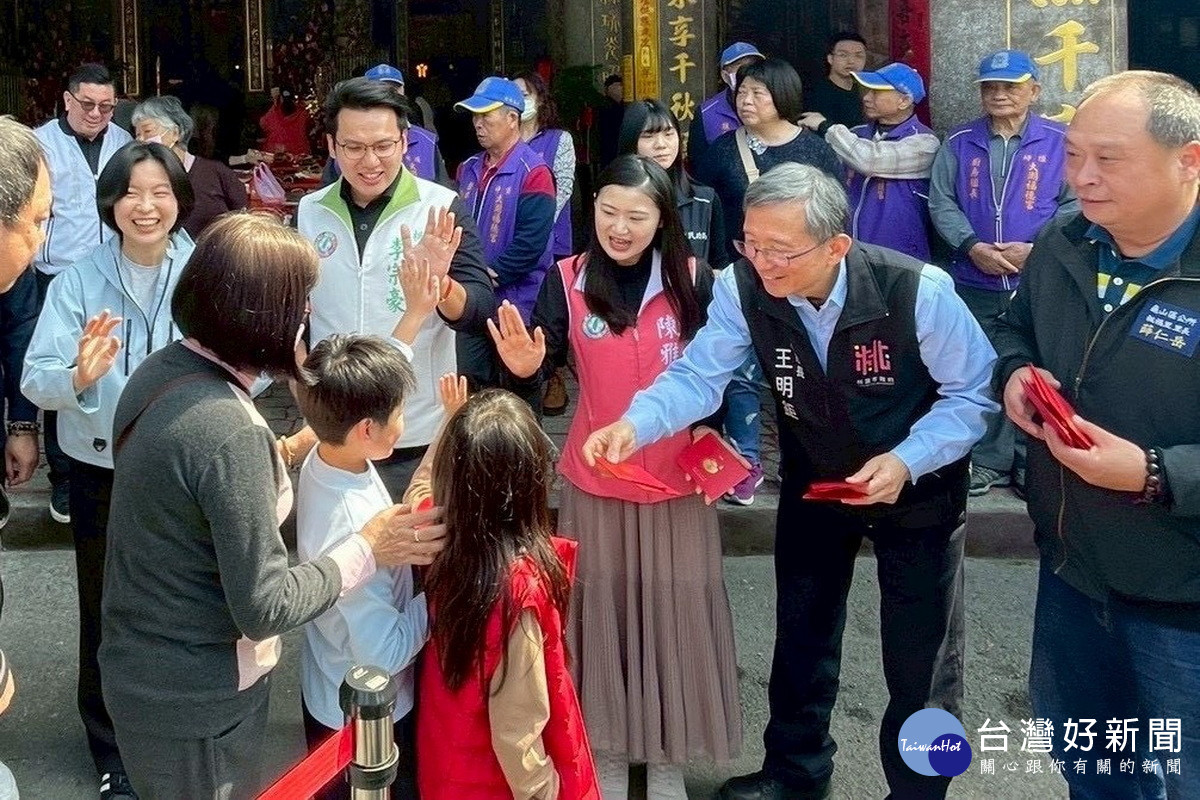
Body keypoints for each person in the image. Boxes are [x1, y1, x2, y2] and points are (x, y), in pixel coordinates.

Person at [583, 163, 997, 800]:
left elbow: (973, 394)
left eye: (781, 250)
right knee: (802, 632)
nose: (762, 262)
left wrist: (907, 460)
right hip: (816, 479)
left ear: (836, 246)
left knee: (926, 661)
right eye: (751, 243)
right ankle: (794, 773)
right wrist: (635, 425)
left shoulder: (919, 290)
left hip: (918, 487)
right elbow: (700, 375)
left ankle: (921, 792)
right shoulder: (742, 286)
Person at [98, 213, 448, 800]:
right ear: (264, 316)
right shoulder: (231, 433)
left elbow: (198, 487)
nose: (306, 313)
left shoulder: (163, 371)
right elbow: (265, 605)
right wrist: (368, 546)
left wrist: (287, 448)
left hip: (143, 668)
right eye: (301, 300)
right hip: (196, 701)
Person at [488, 155, 740, 800]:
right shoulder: (567, 279)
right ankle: (601, 748)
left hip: (677, 484)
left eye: (636, 216)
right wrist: (525, 368)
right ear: (592, 210)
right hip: (596, 480)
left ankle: (667, 758)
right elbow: (538, 367)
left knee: (674, 613)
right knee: (599, 614)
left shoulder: (695, 279)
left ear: (663, 220)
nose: (619, 228)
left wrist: (717, 436)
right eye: (607, 212)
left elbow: (721, 372)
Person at [992, 70, 1200, 800]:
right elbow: (1014, 328)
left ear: (1189, 160)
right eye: (1074, 154)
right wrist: (1015, 373)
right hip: (1073, 571)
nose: (1081, 177)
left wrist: (1153, 472)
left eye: (1108, 159)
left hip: (1183, 597)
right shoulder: (1065, 239)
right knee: (1094, 767)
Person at [21, 141, 194, 800]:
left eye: (160, 192)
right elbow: (36, 378)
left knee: (182, 599)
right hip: (102, 470)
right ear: (110, 202)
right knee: (104, 607)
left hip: (182, 468)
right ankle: (110, 746)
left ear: (179, 200)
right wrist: (79, 375)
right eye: (131, 193)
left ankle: (175, 728)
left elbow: (248, 363)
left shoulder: (204, 273)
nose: (145, 207)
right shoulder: (77, 280)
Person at [297, 77, 495, 499]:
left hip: (414, 428)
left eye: (383, 145)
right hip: (335, 429)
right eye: (354, 147)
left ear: (405, 142)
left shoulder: (439, 207)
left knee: (418, 537)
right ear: (332, 146)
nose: (370, 161)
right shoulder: (310, 211)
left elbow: (479, 308)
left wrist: (441, 286)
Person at [417, 389, 599, 800]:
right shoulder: (520, 590)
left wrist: (448, 421)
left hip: (447, 764)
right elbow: (518, 731)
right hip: (495, 786)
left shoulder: (436, 536)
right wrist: (546, 790)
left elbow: (420, 490)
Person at [930, 50, 1076, 497]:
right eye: (990, 87)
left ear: (1034, 90)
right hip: (975, 278)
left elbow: (1075, 205)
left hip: (1039, 279)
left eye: (1010, 86)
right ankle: (989, 460)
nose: (999, 95)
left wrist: (1037, 251)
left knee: (1039, 368)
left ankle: (1034, 461)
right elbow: (941, 201)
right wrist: (971, 246)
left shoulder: (1061, 140)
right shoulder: (959, 141)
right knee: (983, 368)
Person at [697, 57, 843, 505]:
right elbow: (705, 207)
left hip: (802, 275)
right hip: (743, 273)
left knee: (799, 369)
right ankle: (745, 461)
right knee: (741, 369)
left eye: (758, 93)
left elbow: (835, 213)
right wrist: (717, 262)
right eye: (742, 92)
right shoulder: (723, 149)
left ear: (783, 95)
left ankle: (802, 458)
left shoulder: (815, 150)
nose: (747, 100)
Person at [295, 335, 435, 800]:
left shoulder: (326, 459)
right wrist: (436, 598)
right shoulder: (353, 525)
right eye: (399, 412)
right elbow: (382, 655)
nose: (404, 420)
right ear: (367, 430)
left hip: (325, 678)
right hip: (368, 723)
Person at [33, 63, 133, 526]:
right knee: (64, 371)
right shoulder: (40, 144)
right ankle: (64, 477)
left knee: (109, 368)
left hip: (111, 271)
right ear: (68, 100)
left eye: (107, 106)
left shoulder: (123, 143)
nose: (97, 114)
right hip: (55, 273)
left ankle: (113, 461)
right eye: (88, 104)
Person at [0, 115, 55, 800]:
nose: (41, 239)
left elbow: (18, 337)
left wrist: (19, 422)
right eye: (36, 221)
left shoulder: (15, 285)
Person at [801, 61, 940, 261]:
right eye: (867, 91)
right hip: (850, 250)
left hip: (900, 256)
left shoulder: (924, 142)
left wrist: (826, 127)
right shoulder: (856, 134)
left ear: (904, 101)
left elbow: (870, 160)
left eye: (876, 92)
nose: (866, 97)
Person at [455, 77, 556, 326]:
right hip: (470, 299)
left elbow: (531, 242)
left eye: (485, 115)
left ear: (512, 118)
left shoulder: (534, 171)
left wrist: (487, 277)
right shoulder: (467, 168)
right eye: (474, 116)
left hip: (517, 304)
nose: (478, 124)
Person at [515, 71, 577, 415]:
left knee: (551, 312)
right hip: (513, 241)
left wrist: (535, 228)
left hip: (552, 239)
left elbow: (563, 186)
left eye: (525, 94)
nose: (520, 100)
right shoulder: (505, 139)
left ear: (540, 99)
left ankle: (554, 375)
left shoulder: (558, 139)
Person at [619, 98, 728, 268]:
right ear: (630, 142)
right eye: (648, 136)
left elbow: (718, 264)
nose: (661, 145)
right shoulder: (614, 199)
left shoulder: (705, 199)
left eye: (668, 134)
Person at [131, 96, 248, 238]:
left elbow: (244, 221)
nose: (141, 140)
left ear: (175, 133)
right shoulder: (141, 179)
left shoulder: (216, 173)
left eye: (147, 131)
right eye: (137, 135)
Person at [687, 42, 765, 171]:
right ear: (725, 76)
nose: (748, 74)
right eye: (741, 69)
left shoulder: (773, 104)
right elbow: (697, 164)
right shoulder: (706, 113)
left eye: (754, 67)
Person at [804, 33, 868, 129]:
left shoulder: (867, 92)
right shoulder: (815, 94)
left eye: (859, 56)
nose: (851, 61)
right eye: (843, 55)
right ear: (830, 59)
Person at [259, 87, 311, 156]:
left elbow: (263, 124)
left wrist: (274, 104)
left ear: (280, 98)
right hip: (299, 153)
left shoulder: (273, 113)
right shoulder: (303, 113)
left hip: (277, 153)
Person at [596, 74, 625, 170]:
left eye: (621, 86)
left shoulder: (624, 105)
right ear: (608, 89)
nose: (620, 89)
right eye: (617, 86)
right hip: (608, 148)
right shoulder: (604, 105)